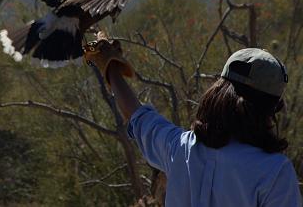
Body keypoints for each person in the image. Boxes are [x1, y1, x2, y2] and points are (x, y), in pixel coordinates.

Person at [84, 39, 302, 207]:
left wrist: (111, 68)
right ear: (268, 111)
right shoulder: (274, 172)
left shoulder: (181, 148)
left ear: (218, 93)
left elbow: (137, 116)